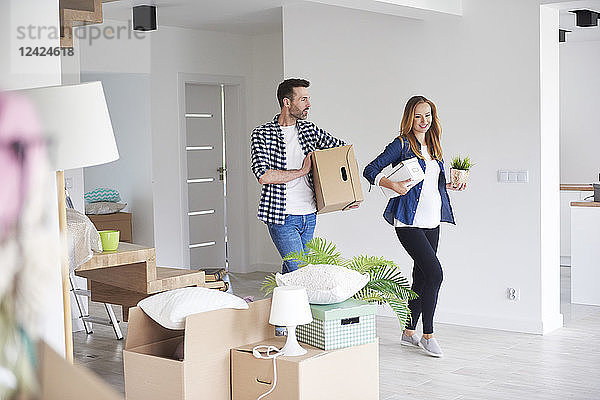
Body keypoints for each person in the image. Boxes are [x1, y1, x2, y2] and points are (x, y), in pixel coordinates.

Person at [363, 95, 466, 357]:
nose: (423, 121)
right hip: (408, 221)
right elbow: (370, 169)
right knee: (435, 275)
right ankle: (428, 335)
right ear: (410, 117)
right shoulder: (401, 144)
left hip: (432, 220)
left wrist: (451, 185)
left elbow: (433, 184)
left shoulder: (434, 145)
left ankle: (409, 333)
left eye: (428, 115)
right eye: (418, 116)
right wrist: (392, 185)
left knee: (421, 277)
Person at [251, 78, 348, 274]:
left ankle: (280, 303)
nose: (309, 104)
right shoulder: (262, 134)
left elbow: (341, 151)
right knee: (302, 272)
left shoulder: (309, 130)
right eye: (303, 99)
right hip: (282, 216)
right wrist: (302, 171)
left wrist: (346, 196)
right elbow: (263, 175)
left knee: (293, 274)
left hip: (309, 214)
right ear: (287, 102)